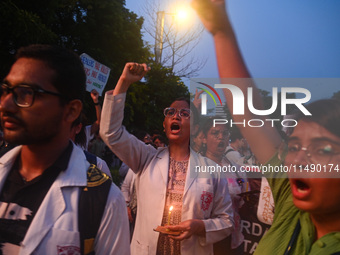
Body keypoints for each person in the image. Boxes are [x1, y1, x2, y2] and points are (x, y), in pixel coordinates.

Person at [193, 0, 340, 254]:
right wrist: (221, 31)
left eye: (322, 149)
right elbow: (248, 114)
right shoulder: (289, 204)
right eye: (294, 146)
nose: (298, 161)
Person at [0, 44, 129, 255]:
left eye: (26, 93)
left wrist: (100, 101)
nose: (5, 105)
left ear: (71, 111)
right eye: (6, 90)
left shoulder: (103, 199)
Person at [100, 62, 234, 255]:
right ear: (165, 125)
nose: (176, 116)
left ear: (195, 128)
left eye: (184, 113)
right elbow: (110, 133)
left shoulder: (212, 170)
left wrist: (200, 227)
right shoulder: (145, 158)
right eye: (170, 113)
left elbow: (227, 221)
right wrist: (123, 83)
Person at [201, 117, 246, 254]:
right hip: (206, 238)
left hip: (233, 237)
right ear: (204, 138)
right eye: (215, 133)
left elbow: (243, 198)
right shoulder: (196, 167)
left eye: (225, 133)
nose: (221, 137)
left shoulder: (237, 170)